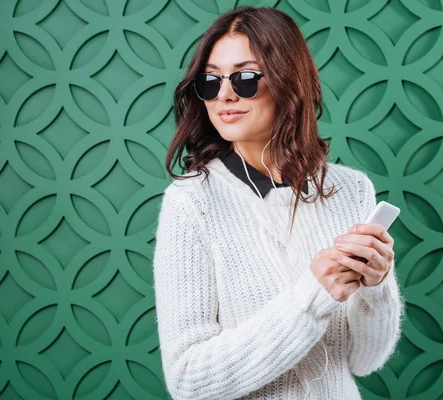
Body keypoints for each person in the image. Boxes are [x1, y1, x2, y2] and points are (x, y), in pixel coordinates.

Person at [152, 6, 404, 400]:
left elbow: (363, 361)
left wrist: (376, 287)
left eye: (246, 77)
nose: (225, 94)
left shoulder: (352, 191)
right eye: (211, 80)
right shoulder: (191, 203)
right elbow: (189, 380)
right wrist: (312, 297)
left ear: (289, 81)